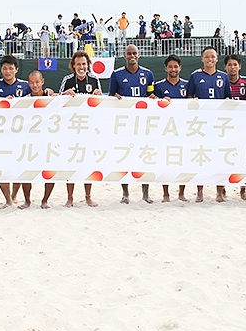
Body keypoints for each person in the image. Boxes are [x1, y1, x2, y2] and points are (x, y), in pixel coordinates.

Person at [109, 44, 155, 204]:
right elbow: (110, 97)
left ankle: (145, 194)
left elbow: (150, 94)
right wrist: (115, 97)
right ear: (125, 55)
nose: (132, 56)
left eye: (134, 53)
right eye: (129, 53)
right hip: (125, 122)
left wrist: (153, 98)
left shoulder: (148, 74)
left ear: (139, 54)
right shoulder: (117, 74)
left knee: (144, 156)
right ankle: (125, 194)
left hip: (143, 122)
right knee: (125, 157)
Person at [186, 47, 232, 202]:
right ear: (202, 59)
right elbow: (189, 97)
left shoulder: (223, 77)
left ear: (217, 59)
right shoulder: (195, 76)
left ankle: (219, 191)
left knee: (219, 157)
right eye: (207, 57)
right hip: (201, 123)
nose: (210, 59)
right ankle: (200, 192)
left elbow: (228, 98)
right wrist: (193, 103)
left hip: (219, 123)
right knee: (201, 157)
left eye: (213, 56)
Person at [58, 51, 103, 207]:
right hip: (71, 127)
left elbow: (100, 103)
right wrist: (64, 94)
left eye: (84, 64)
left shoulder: (94, 79)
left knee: (87, 162)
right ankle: (70, 197)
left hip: (88, 128)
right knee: (70, 161)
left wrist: (99, 95)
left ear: (88, 65)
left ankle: (88, 196)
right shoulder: (68, 79)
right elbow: (58, 101)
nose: (81, 67)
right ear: (73, 66)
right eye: (78, 64)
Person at [0, 55, 32, 205]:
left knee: (19, 166)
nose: (7, 71)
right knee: (1, 167)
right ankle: (8, 199)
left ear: (16, 69)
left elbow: (38, 94)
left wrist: (47, 91)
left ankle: (15, 195)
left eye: (11, 68)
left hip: (21, 132)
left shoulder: (25, 85)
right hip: (0, 132)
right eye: (4, 68)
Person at [16, 71, 57, 209]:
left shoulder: (52, 98)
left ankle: (45, 200)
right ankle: (27, 201)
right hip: (29, 141)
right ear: (28, 83)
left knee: (50, 171)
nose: (34, 85)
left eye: (37, 82)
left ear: (42, 82)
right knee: (25, 172)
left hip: (47, 140)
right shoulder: (24, 100)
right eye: (32, 82)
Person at [153, 54, 188, 202]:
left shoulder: (187, 84)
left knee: (182, 161)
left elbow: (192, 102)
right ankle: (166, 194)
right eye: (170, 66)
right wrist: (159, 101)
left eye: (176, 66)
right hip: (165, 129)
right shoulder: (159, 86)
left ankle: (181, 193)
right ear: (166, 68)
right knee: (165, 161)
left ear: (180, 68)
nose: (173, 69)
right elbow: (154, 105)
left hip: (183, 128)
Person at [224, 54, 246, 200]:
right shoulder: (220, 80)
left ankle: (243, 189)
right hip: (224, 126)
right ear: (225, 67)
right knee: (221, 157)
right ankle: (221, 190)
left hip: (242, 126)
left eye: (235, 64)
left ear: (239, 66)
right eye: (230, 64)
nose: (232, 67)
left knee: (242, 159)